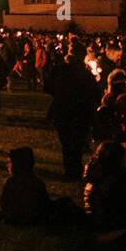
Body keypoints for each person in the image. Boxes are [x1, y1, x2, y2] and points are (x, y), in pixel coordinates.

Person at [45, 44, 100, 180]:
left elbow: (47, 86)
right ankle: (74, 169)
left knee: (67, 142)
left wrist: (58, 95)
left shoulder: (60, 70)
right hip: (80, 112)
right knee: (77, 143)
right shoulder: (85, 73)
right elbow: (95, 94)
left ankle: (71, 170)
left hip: (64, 111)